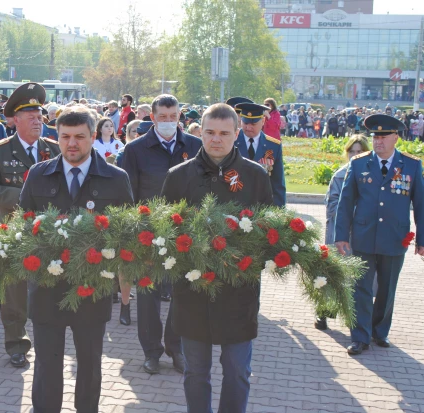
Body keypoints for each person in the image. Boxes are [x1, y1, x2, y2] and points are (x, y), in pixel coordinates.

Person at [19, 105, 133, 413]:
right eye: (65, 136)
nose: (72, 144)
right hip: (46, 289)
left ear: (94, 136)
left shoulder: (115, 178)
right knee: (46, 368)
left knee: (90, 366)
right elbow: (23, 226)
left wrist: (125, 284)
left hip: (93, 290)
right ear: (56, 137)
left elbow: (126, 235)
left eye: (80, 137)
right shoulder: (38, 175)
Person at [161, 103, 273, 413]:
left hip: (239, 293)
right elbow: (165, 232)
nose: (216, 140)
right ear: (200, 132)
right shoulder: (178, 176)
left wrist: (245, 261)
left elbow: (269, 233)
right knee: (196, 373)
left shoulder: (255, 176)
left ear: (237, 134)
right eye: (209, 132)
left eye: (224, 133)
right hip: (193, 293)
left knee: (238, 371)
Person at [0, 82, 60, 368]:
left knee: (49, 286)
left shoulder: (55, 149)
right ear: (15, 119)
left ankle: (49, 339)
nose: (38, 120)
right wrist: (26, 198)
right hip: (13, 229)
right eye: (31, 116)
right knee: (14, 292)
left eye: (40, 115)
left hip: (50, 231)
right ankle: (16, 344)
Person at [122, 94, 202, 375]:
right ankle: (151, 351)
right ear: (152, 117)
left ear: (180, 117)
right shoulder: (136, 149)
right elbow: (127, 192)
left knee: (182, 294)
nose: (168, 122)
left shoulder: (195, 146)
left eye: (173, 116)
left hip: (185, 234)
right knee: (148, 295)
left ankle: (175, 347)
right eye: (162, 117)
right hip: (148, 234)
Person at [335, 114, 424, 355]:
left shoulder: (412, 165)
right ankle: (360, 336)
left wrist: (422, 240)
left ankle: (380, 331)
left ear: (396, 137)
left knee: (387, 288)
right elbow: (345, 202)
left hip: (394, 238)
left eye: (384, 137)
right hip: (363, 235)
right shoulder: (360, 163)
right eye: (375, 137)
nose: (378, 141)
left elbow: (421, 204)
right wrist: (341, 235)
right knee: (361, 288)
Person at [316, 135, 370, 330]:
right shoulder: (340, 175)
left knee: (357, 279)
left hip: (362, 236)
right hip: (338, 236)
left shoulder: (370, 177)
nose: (355, 155)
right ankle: (323, 313)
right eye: (352, 151)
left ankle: (354, 319)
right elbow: (332, 208)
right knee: (332, 276)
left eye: (360, 151)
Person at [234, 102, 286, 207]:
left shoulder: (274, 145)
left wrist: (278, 212)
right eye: (245, 123)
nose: (248, 127)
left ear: (262, 121)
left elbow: (278, 183)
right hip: (235, 205)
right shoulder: (232, 141)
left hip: (263, 207)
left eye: (253, 124)